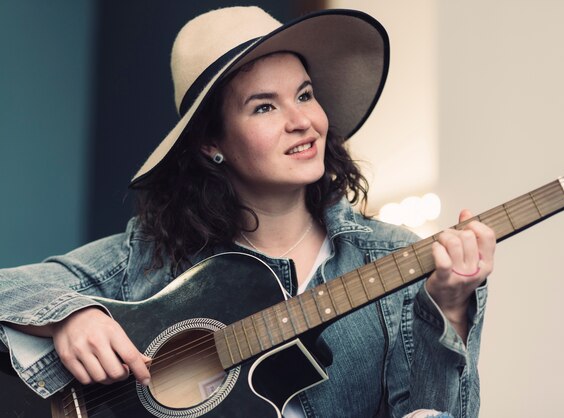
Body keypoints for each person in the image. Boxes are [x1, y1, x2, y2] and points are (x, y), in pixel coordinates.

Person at [0, 6, 494, 418]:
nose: (302, 121)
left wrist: (448, 309)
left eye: (304, 95)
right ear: (212, 143)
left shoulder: (399, 258)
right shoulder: (147, 256)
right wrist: (70, 315)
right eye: (265, 107)